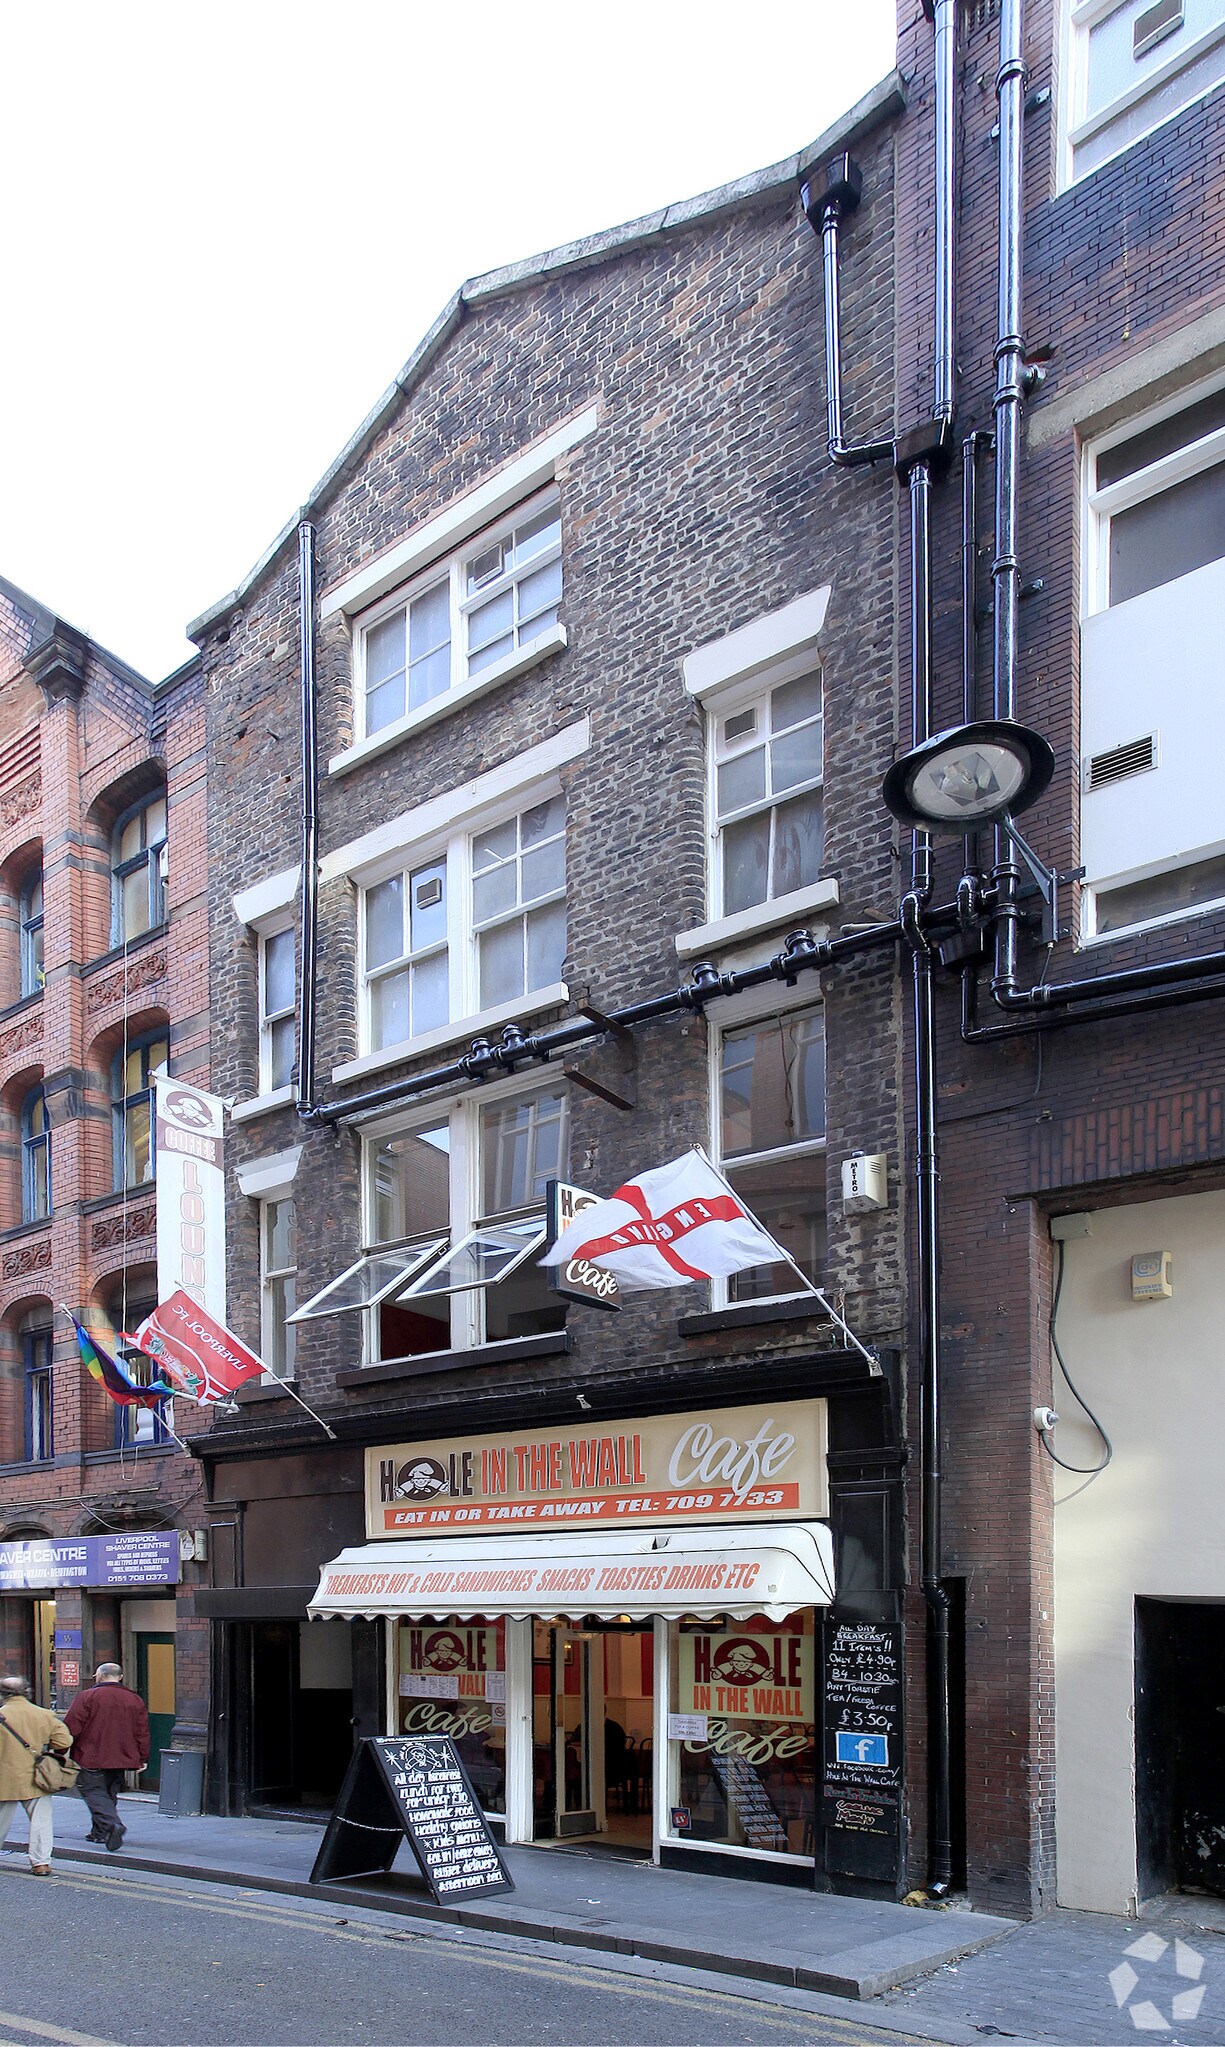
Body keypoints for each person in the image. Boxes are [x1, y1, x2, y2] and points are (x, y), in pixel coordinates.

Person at [64, 1662, 149, 1852]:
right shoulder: (134, 1699)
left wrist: (61, 1749)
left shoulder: (87, 1696)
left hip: (90, 1755)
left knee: (93, 1792)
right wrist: (142, 1757)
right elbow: (142, 1731)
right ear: (119, 1677)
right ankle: (99, 1832)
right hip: (121, 1756)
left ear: (99, 1676)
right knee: (108, 1793)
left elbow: (72, 1727)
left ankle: (112, 1825)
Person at [0, 1674, 74, 1875]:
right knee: (41, 1821)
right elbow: (64, 1741)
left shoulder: (1, 1715)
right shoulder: (44, 1715)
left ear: (3, 1695)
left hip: (3, 1778)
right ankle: (41, 1862)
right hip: (37, 1777)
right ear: (27, 1692)